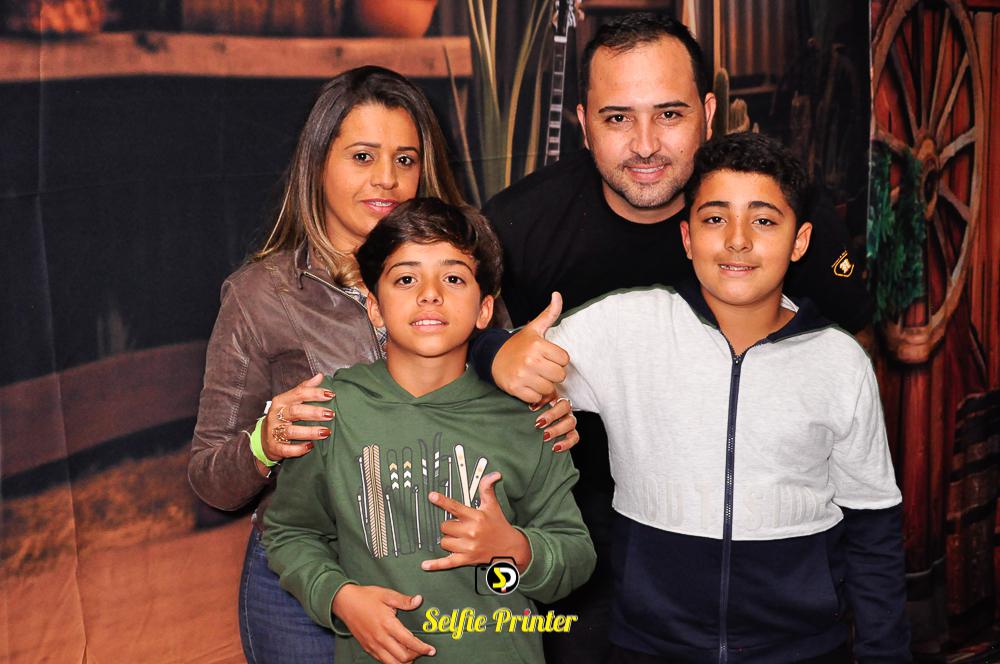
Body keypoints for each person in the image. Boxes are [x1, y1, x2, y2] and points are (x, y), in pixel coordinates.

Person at [471, 13, 873, 661]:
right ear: (583, 124)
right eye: (618, 118)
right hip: (583, 537)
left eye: (669, 114)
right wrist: (507, 371)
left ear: (708, 113)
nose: (645, 145)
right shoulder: (520, 227)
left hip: (763, 550)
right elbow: (464, 359)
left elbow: (851, 352)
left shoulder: (778, 208)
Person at [187, 66, 576, 664]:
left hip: (445, 571)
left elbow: (500, 396)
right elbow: (212, 479)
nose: (387, 179)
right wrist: (265, 442)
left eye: (406, 159)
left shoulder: (459, 267)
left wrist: (545, 410)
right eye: (363, 156)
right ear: (318, 163)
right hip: (306, 578)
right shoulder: (261, 295)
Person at [263, 198, 596, 664]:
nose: (430, 294)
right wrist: (341, 598)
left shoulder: (529, 418)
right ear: (375, 307)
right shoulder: (332, 411)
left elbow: (575, 554)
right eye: (406, 279)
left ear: (484, 310)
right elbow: (290, 533)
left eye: (453, 278)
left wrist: (515, 549)